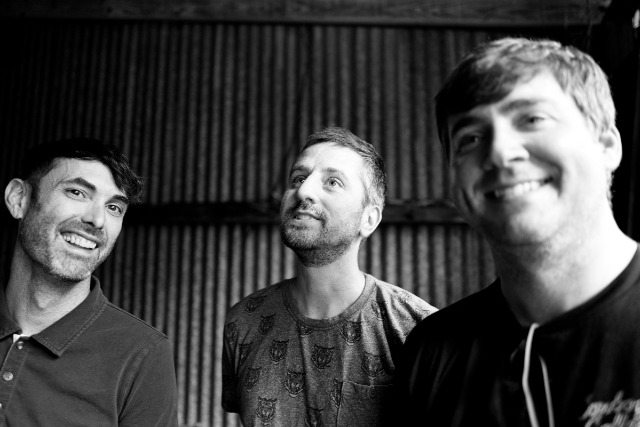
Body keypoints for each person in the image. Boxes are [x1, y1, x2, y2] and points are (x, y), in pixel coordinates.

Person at [397, 37, 640, 426]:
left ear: (607, 144)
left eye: (532, 119)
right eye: (470, 138)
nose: (498, 152)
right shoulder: (431, 353)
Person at [222, 126, 435, 426]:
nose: (303, 191)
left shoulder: (419, 330)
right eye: (298, 178)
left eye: (333, 182)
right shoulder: (243, 322)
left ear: (369, 219)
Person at [1, 138, 178, 426]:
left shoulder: (143, 353)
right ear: (19, 198)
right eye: (77, 192)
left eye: (114, 207)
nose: (97, 220)